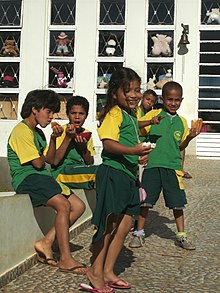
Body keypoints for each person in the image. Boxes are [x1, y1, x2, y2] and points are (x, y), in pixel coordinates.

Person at [80, 67, 152, 293]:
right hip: (113, 173)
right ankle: (95, 272)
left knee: (125, 224)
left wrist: (139, 155)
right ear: (114, 93)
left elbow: (128, 144)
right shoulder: (113, 114)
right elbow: (109, 144)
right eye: (128, 90)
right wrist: (133, 150)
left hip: (129, 176)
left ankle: (109, 271)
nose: (134, 95)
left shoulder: (132, 116)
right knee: (108, 225)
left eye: (137, 90)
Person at [7, 89, 88, 274]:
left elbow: (51, 160)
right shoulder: (21, 131)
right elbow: (37, 163)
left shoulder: (39, 134)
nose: (51, 117)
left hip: (43, 176)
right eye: (48, 111)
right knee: (64, 206)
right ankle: (66, 259)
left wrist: (53, 138)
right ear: (34, 109)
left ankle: (46, 242)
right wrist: (44, 158)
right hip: (28, 178)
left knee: (78, 206)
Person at [129, 81, 200, 250]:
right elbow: (135, 128)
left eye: (177, 100)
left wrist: (190, 137)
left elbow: (180, 147)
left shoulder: (182, 122)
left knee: (177, 203)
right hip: (152, 166)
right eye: (169, 99)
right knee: (145, 201)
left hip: (172, 168)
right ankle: (139, 232)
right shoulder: (153, 114)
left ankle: (181, 236)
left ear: (181, 100)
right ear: (163, 99)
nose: (173, 103)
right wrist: (150, 122)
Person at [51, 95, 97, 190]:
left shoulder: (86, 133)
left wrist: (83, 148)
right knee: (98, 173)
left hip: (80, 169)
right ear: (68, 114)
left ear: (86, 116)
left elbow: (90, 162)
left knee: (105, 170)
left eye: (81, 114)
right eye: (73, 113)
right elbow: (54, 161)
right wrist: (68, 138)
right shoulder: (61, 131)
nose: (77, 117)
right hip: (62, 172)